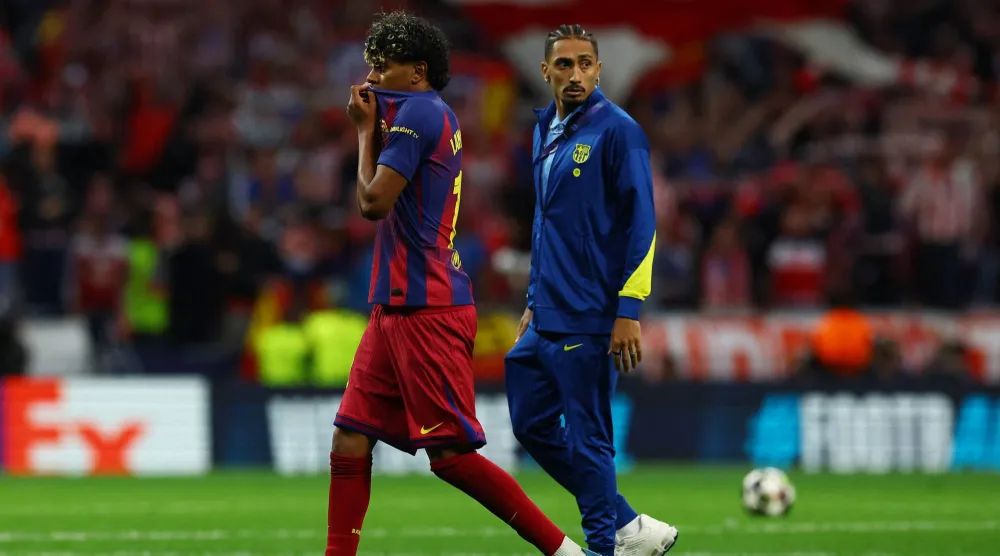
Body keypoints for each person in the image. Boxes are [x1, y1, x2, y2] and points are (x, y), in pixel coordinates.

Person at [329, 11, 598, 556]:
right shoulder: (421, 113)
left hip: (426, 307)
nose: (373, 76)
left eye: (385, 66)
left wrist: (362, 134)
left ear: (418, 71)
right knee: (350, 436)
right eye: (370, 64)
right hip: (396, 305)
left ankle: (565, 552)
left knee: (450, 456)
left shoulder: (420, 115)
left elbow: (372, 203)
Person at [504, 25, 679, 556]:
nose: (575, 73)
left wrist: (629, 311)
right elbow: (545, 226)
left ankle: (605, 547)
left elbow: (643, 226)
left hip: (592, 315)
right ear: (546, 72)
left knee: (589, 438)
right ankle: (628, 525)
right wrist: (533, 299)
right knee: (529, 424)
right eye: (564, 64)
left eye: (584, 64)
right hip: (547, 312)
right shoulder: (545, 131)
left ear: (598, 71)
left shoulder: (619, 131)